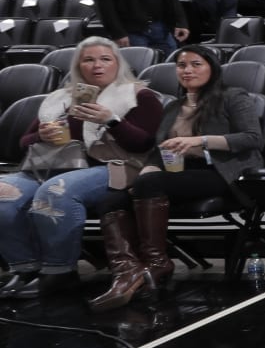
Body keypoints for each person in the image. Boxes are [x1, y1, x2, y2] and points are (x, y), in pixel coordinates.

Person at [94, 45, 265, 310]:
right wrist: (149, 167)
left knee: (150, 184)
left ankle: (156, 262)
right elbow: (160, 148)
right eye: (182, 65)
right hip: (180, 173)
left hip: (224, 173)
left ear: (212, 68)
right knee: (111, 201)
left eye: (196, 64)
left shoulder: (233, 96)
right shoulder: (173, 106)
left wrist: (201, 141)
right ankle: (127, 270)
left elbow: (252, 138)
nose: (187, 70)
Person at [0, 39, 161, 300]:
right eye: (88, 59)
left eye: (105, 59)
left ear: (118, 62)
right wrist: (41, 135)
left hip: (112, 166)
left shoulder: (139, 95)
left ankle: (59, 272)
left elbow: (144, 143)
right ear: (79, 65)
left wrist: (111, 121)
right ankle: (25, 268)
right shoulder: (61, 98)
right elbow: (23, 143)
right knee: (3, 195)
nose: (97, 65)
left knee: (55, 192)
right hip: (50, 166)